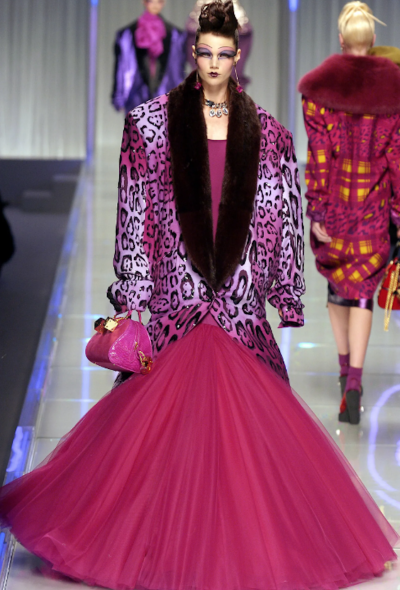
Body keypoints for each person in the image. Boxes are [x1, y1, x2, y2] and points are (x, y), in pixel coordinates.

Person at [0, 2, 398, 588]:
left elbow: (279, 213)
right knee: (161, 416)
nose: (214, 64)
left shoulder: (268, 132)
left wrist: (284, 289)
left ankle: (234, 540)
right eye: (205, 53)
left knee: (238, 421)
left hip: (236, 289)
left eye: (223, 54)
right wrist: (133, 287)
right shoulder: (151, 125)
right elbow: (134, 209)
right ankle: (150, 538)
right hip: (177, 284)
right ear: (194, 53)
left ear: (238, 56)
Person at [298, 1, 400, 425]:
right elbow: (397, 159)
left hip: (337, 204)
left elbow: (319, 156)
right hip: (374, 206)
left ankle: (344, 374)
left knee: (337, 288)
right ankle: (355, 381)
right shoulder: (393, 89)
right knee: (362, 293)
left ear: (341, 40)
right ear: (372, 41)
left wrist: (317, 208)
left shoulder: (322, 90)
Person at [111, 0, 186, 114]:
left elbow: (178, 70)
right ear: (144, 2)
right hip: (136, 97)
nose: (155, 5)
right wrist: (119, 96)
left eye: (159, 1)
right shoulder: (126, 35)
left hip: (165, 98)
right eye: (151, 1)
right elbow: (121, 66)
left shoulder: (176, 36)